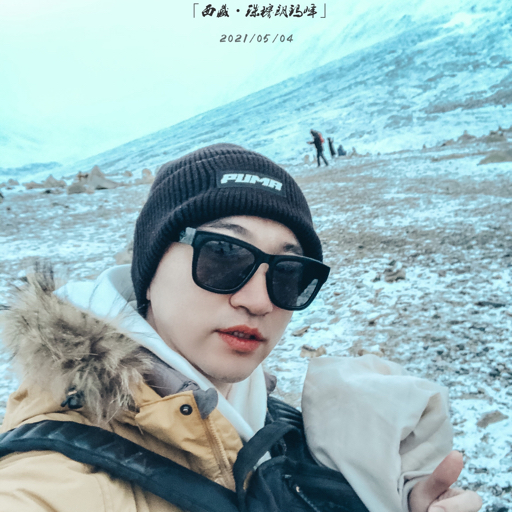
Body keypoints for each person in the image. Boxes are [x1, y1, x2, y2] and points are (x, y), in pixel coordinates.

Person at [0, 143, 482, 512]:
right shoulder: (50, 480)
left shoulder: (260, 417)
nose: (258, 301)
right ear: (150, 266)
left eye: (288, 274)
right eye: (223, 254)